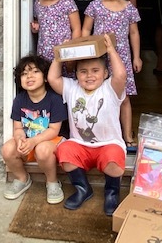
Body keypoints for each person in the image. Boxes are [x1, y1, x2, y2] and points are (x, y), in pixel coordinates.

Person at [47, 34, 126, 216]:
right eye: (83, 71)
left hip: (108, 145)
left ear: (105, 73)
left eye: (95, 70)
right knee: (64, 150)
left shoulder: (110, 89)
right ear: (76, 74)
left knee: (114, 158)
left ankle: (112, 193)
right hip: (80, 145)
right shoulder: (72, 87)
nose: (89, 75)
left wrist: (111, 50)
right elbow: (52, 78)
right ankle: (83, 189)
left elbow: (121, 74)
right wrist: (60, 54)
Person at [81, 0, 142, 153]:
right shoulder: (95, 6)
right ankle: (99, 134)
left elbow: (134, 33)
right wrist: (84, 54)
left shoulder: (129, 8)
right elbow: (85, 30)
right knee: (97, 97)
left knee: (123, 98)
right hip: (99, 59)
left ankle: (128, 136)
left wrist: (137, 57)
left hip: (121, 59)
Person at [1, 54, 68, 204]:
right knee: (7, 149)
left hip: (51, 142)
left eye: (35, 71)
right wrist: (20, 139)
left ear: (45, 77)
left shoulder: (54, 99)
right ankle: (22, 178)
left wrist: (33, 142)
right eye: (24, 74)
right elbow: (18, 128)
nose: (29, 76)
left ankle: (52, 182)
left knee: (42, 149)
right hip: (30, 141)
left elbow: (54, 130)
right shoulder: (19, 100)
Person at [31, 0, 82, 71]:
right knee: (47, 76)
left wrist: (72, 50)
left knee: (64, 81)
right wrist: (35, 28)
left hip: (64, 51)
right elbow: (38, 23)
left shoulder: (68, 3)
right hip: (45, 52)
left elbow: (76, 28)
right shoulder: (38, 3)